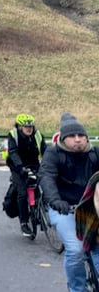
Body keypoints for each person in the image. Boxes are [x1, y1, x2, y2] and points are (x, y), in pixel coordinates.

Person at [40, 112, 99, 291]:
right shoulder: (53, 154)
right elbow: (47, 176)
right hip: (65, 209)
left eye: (81, 135)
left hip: (92, 208)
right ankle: (77, 288)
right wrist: (55, 200)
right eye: (72, 136)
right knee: (75, 250)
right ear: (63, 138)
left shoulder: (95, 153)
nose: (78, 139)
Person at [5, 113, 48, 237]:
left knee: (45, 185)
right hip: (17, 166)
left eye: (31, 126)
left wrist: (50, 163)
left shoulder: (37, 135)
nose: (29, 129)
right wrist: (20, 168)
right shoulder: (13, 135)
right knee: (22, 192)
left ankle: (42, 210)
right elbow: (13, 153)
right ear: (20, 127)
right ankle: (24, 223)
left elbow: (45, 151)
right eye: (26, 126)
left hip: (33, 164)